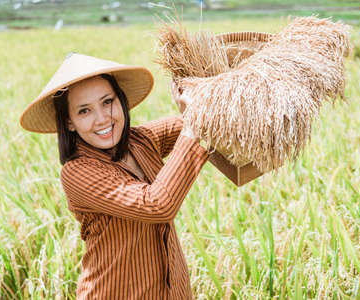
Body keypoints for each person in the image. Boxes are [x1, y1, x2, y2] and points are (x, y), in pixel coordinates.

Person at [20, 53, 225, 299]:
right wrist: (192, 126)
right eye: (84, 111)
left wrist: (202, 96)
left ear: (121, 101)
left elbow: (204, 120)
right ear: (70, 122)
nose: (102, 118)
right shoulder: (78, 173)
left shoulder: (141, 140)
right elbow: (157, 204)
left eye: (107, 102)